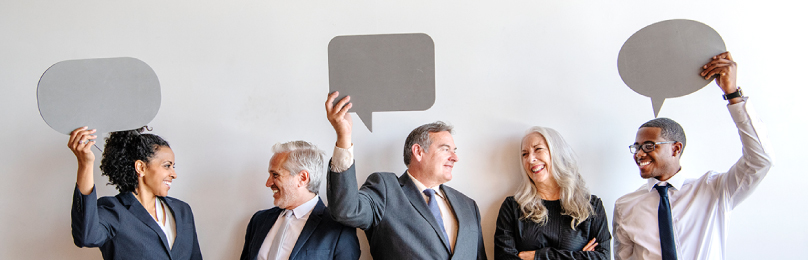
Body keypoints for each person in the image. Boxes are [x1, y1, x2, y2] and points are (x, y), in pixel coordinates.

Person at [613, 52, 773, 260]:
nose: (640, 153)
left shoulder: (714, 190)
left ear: (676, 148)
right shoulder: (625, 205)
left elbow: (761, 159)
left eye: (649, 146)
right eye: (637, 147)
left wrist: (732, 94)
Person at [324, 92, 487, 259]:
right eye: (445, 149)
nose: (455, 157)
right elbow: (346, 211)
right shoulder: (385, 189)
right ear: (418, 151)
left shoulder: (468, 206)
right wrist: (344, 137)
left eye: (454, 151)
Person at [68, 126, 202, 260]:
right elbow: (86, 237)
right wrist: (85, 164)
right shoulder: (114, 210)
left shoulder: (183, 210)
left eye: (173, 167)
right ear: (141, 167)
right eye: (167, 165)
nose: (174, 174)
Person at [495, 127, 611, 260]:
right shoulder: (512, 207)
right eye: (524, 154)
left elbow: (603, 257)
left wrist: (538, 256)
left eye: (538, 149)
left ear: (557, 152)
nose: (530, 159)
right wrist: (581, 257)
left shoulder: (591, 206)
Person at [240, 141, 360, 260]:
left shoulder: (338, 228)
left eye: (275, 175)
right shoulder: (259, 220)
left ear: (302, 178)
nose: (268, 183)